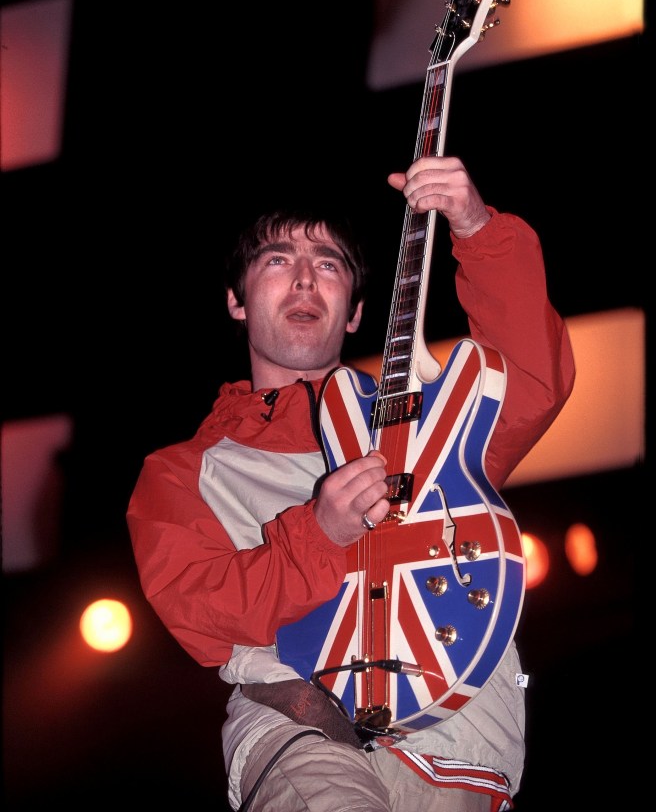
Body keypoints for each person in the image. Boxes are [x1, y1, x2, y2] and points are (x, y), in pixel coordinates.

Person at [127, 155, 576, 811]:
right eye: (277, 260)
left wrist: (479, 229)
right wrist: (321, 532)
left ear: (357, 311)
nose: (306, 278)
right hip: (300, 728)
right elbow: (202, 613)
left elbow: (530, 381)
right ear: (235, 299)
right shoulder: (181, 471)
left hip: (458, 743)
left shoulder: (433, 427)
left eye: (329, 264)